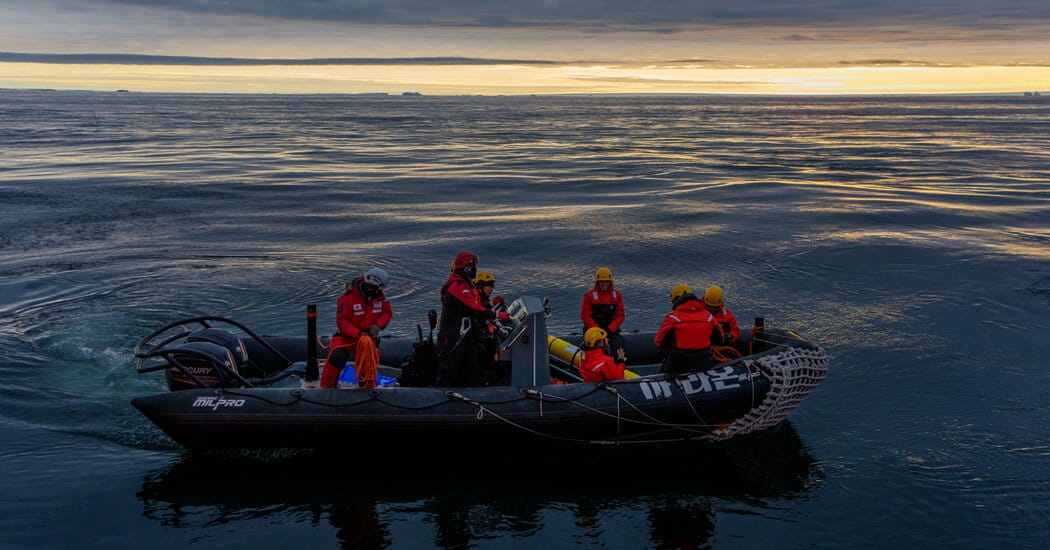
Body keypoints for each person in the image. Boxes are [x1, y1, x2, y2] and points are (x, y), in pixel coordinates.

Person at [320, 267, 392, 388]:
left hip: (367, 340)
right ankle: (326, 389)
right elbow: (342, 321)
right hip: (346, 338)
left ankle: (367, 391)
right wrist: (357, 333)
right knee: (337, 357)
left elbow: (387, 313)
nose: (370, 289)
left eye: (374, 288)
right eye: (369, 285)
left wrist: (378, 325)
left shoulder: (381, 299)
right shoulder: (348, 298)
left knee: (367, 364)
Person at [436, 251, 497, 387]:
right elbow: (474, 308)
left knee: (471, 369)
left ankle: (473, 394)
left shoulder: (464, 285)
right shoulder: (457, 287)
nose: (475, 270)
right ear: (467, 268)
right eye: (473, 267)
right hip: (453, 335)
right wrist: (495, 315)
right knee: (448, 371)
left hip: (464, 334)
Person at [654, 284, 726, 375]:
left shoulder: (672, 318)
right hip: (704, 363)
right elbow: (720, 338)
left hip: (678, 365)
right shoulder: (708, 317)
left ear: (676, 301)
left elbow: (658, 341)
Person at [580, 267, 626, 361]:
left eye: (606, 282)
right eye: (602, 282)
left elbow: (620, 315)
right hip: (593, 330)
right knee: (591, 349)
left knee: (617, 345)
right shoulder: (589, 296)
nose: (604, 284)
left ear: (610, 282)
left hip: (610, 329)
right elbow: (585, 316)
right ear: (598, 282)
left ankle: (616, 367)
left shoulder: (616, 295)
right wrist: (597, 331)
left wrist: (610, 329)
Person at [703, 285, 742, 362]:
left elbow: (736, 331)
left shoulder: (727, 314)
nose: (712, 309)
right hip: (702, 349)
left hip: (721, 348)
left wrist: (729, 336)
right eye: (709, 306)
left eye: (715, 307)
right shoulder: (697, 312)